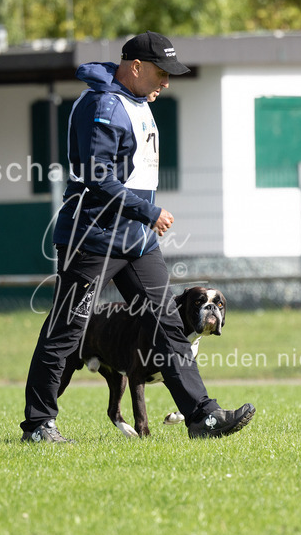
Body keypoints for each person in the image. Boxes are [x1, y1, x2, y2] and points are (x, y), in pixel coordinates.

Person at [20, 31, 256, 443]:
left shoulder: (137, 101)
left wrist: (142, 220)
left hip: (135, 238)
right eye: (161, 73)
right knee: (68, 328)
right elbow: (99, 180)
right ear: (136, 68)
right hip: (92, 234)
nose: (166, 82)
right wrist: (149, 212)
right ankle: (40, 424)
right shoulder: (104, 106)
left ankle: (203, 417)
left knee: (168, 323)